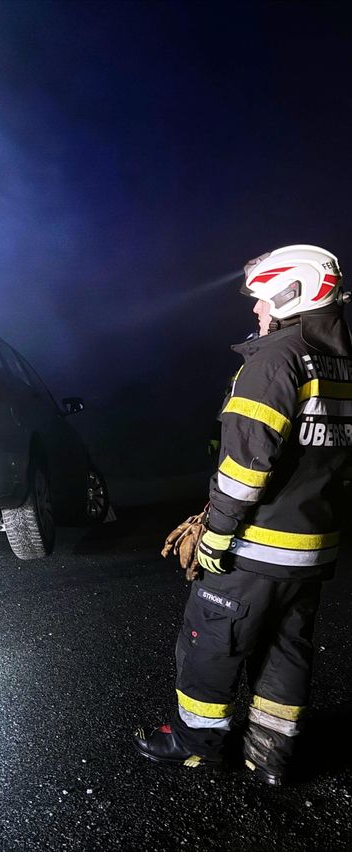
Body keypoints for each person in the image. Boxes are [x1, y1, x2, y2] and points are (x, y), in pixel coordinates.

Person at [133, 245, 352, 785]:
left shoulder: (275, 359)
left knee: (210, 641)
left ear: (290, 293)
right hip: (313, 543)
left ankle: (195, 744)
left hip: (257, 544)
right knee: (286, 647)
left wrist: (217, 533)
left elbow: (245, 467)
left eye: (261, 300)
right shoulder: (341, 363)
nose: (256, 311)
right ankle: (270, 756)